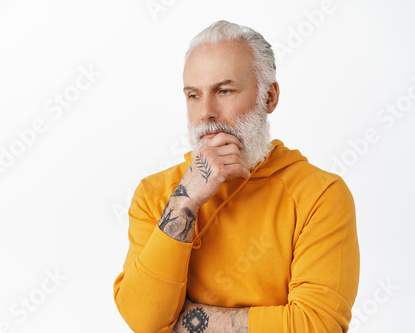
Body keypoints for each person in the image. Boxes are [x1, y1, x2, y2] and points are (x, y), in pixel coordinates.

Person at [113, 20, 359, 333]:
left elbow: (315, 325)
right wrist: (185, 199)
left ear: (269, 97)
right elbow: (144, 320)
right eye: (193, 95)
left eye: (224, 90)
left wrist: (182, 322)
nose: (206, 113)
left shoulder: (320, 194)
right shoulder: (156, 193)